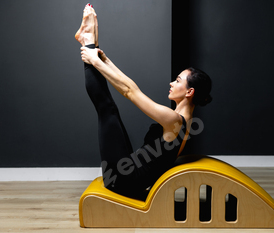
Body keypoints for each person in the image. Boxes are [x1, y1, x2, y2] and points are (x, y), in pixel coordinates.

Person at [75, 4, 212, 199]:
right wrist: (104, 60)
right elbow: (129, 88)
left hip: (122, 179)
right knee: (109, 109)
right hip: (129, 171)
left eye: (178, 80)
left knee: (106, 108)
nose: (172, 83)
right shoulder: (184, 121)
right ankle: (90, 44)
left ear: (189, 92)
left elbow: (130, 91)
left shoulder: (174, 120)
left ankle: (88, 41)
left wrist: (95, 61)